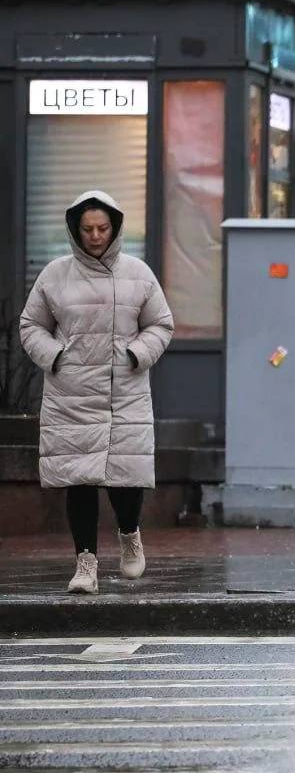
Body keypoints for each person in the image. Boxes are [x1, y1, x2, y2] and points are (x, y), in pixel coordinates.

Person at [19, 191, 174, 594]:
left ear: (115, 227)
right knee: (80, 479)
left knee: (126, 477)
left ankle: (129, 535)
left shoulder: (139, 273)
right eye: (87, 228)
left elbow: (161, 324)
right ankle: (85, 563)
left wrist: (136, 354)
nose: (95, 235)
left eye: (102, 228)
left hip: (125, 389)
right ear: (75, 229)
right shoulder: (55, 274)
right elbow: (30, 325)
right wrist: (56, 356)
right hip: (72, 393)